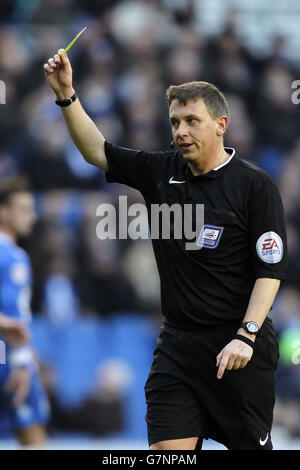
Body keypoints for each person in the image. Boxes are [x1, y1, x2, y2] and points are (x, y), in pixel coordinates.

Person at [43, 50, 287, 450]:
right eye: (175, 122)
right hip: (177, 346)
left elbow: (270, 270)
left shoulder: (254, 186)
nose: (180, 131)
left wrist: (247, 334)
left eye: (192, 121)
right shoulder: (161, 172)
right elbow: (97, 151)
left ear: (221, 125)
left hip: (238, 346)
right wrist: (67, 95)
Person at [0, 178, 49, 447]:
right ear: (3, 212)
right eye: (24, 209)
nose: (32, 216)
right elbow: (12, 318)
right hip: (9, 359)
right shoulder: (12, 256)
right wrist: (20, 357)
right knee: (33, 439)